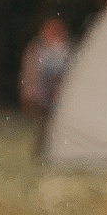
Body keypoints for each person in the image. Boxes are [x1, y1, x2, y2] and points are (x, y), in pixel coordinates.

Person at [20, 17, 72, 155]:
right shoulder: (37, 50)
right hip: (44, 95)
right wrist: (29, 91)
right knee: (44, 126)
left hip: (59, 94)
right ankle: (42, 151)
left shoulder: (67, 50)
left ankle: (55, 150)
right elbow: (30, 73)